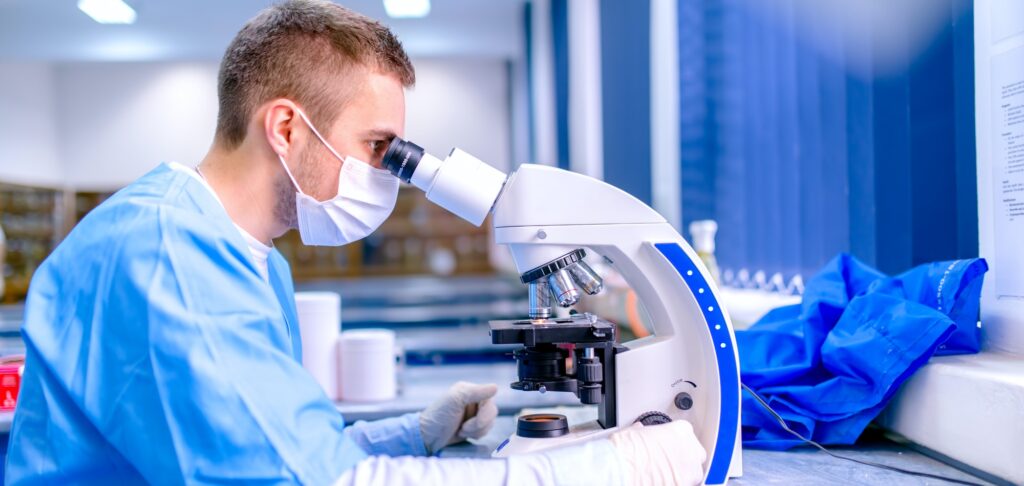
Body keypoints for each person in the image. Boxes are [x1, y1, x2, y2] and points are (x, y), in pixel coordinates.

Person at [5, 1, 706, 484]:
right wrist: (603, 470)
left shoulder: (249, 262)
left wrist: (412, 434)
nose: (386, 176)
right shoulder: (166, 261)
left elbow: (284, 449)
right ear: (285, 129)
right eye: (377, 148)